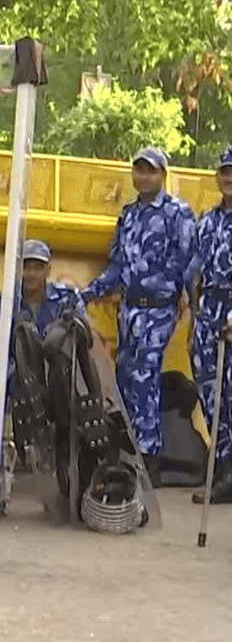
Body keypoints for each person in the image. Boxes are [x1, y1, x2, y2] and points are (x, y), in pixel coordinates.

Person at [82, 147, 196, 486]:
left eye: (151, 171)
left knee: (146, 380)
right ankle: (130, 453)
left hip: (159, 309)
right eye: (139, 170)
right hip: (129, 309)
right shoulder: (129, 214)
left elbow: (190, 264)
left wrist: (195, 309)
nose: (144, 176)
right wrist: (88, 292)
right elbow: (117, 266)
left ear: (163, 175)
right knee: (127, 382)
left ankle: (149, 459)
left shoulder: (179, 214)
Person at [0, 239, 85, 494]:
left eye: (38, 267)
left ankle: (74, 467)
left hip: (57, 377)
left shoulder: (67, 299)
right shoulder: (5, 301)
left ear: (48, 269)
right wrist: (15, 370)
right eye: (26, 267)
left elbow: (84, 339)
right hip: (19, 378)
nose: (31, 273)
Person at [190, 147, 232, 504]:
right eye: (225, 172)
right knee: (211, 391)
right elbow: (197, 273)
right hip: (209, 311)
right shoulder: (208, 221)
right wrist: (195, 320)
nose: (229, 178)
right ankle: (219, 465)